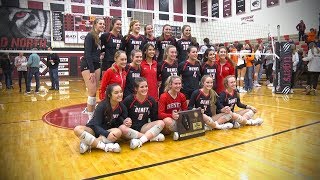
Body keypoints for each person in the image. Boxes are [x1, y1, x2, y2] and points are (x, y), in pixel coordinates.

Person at [73, 84, 124, 154]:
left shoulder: (122, 107)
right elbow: (96, 125)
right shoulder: (102, 106)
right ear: (109, 95)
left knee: (118, 132)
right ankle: (105, 147)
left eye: (121, 92)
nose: (120, 94)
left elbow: (121, 120)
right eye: (116, 93)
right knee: (77, 129)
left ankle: (88, 145)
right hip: (94, 130)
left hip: (105, 132)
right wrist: (106, 134)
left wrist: (125, 121)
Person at [120, 77, 165, 150]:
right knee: (122, 128)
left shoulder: (151, 100)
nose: (145, 89)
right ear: (136, 89)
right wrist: (125, 120)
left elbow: (154, 118)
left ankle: (140, 141)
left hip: (143, 127)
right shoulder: (129, 100)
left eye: (146, 86)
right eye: (142, 87)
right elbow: (121, 115)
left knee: (161, 123)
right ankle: (150, 138)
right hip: (130, 129)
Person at [80, 18, 105, 120]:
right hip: (88, 65)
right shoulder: (90, 36)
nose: (102, 25)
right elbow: (88, 54)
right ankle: (90, 118)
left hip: (97, 64)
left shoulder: (98, 38)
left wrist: (101, 54)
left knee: (94, 91)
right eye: (100, 23)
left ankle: (92, 112)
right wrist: (91, 71)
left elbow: (96, 52)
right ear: (95, 24)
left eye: (103, 24)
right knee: (91, 91)